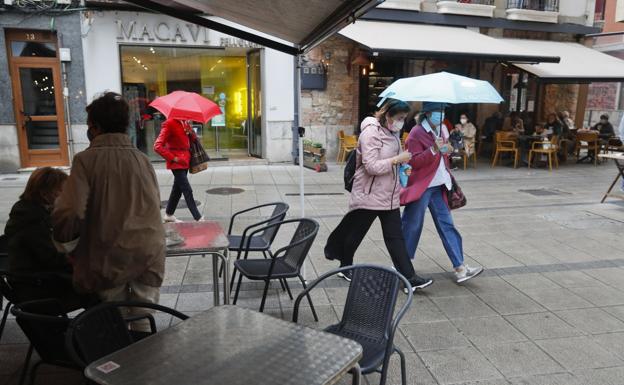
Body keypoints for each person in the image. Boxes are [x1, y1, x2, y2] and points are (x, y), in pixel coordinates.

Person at [52, 92, 165, 328]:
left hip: (107, 255)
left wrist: (65, 242)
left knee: (116, 321)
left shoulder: (85, 160)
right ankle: (147, 360)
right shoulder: (142, 159)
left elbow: (70, 210)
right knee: (145, 318)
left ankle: (122, 361)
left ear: (95, 126)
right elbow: (154, 202)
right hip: (148, 252)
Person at [324, 99, 433, 291]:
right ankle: (344, 264)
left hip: (388, 194)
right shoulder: (370, 133)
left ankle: (409, 278)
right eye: (399, 118)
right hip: (369, 193)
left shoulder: (393, 132)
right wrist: (396, 159)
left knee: (395, 237)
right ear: (387, 116)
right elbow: (371, 166)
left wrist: (402, 166)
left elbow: (393, 159)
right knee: (356, 231)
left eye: (404, 118)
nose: (402, 122)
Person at [400, 102, 483, 284]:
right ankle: (402, 267)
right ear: (428, 113)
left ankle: (460, 268)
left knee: (447, 225)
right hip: (422, 186)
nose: (441, 114)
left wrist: (447, 150)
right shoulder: (416, 133)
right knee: (412, 226)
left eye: (443, 111)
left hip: (439, 186)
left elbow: (443, 155)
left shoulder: (441, 129)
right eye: (438, 111)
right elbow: (414, 162)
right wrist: (433, 149)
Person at [3, 168, 94, 310]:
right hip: (37, 290)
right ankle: (95, 331)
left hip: (33, 283)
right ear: (45, 194)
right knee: (96, 290)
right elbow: (53, 258)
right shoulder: (32, 220)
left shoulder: (29, 212)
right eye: (62, 192)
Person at [154, 118, 203, 222]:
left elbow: (194, 140)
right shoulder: (169, 123)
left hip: (185, 161)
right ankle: (198, 218)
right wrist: (173, 158)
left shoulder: (185, 122)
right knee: (187, 189)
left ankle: (169, 214)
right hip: (177, 162)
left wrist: (191, 132)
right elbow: (157, 146)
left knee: (177, 189)